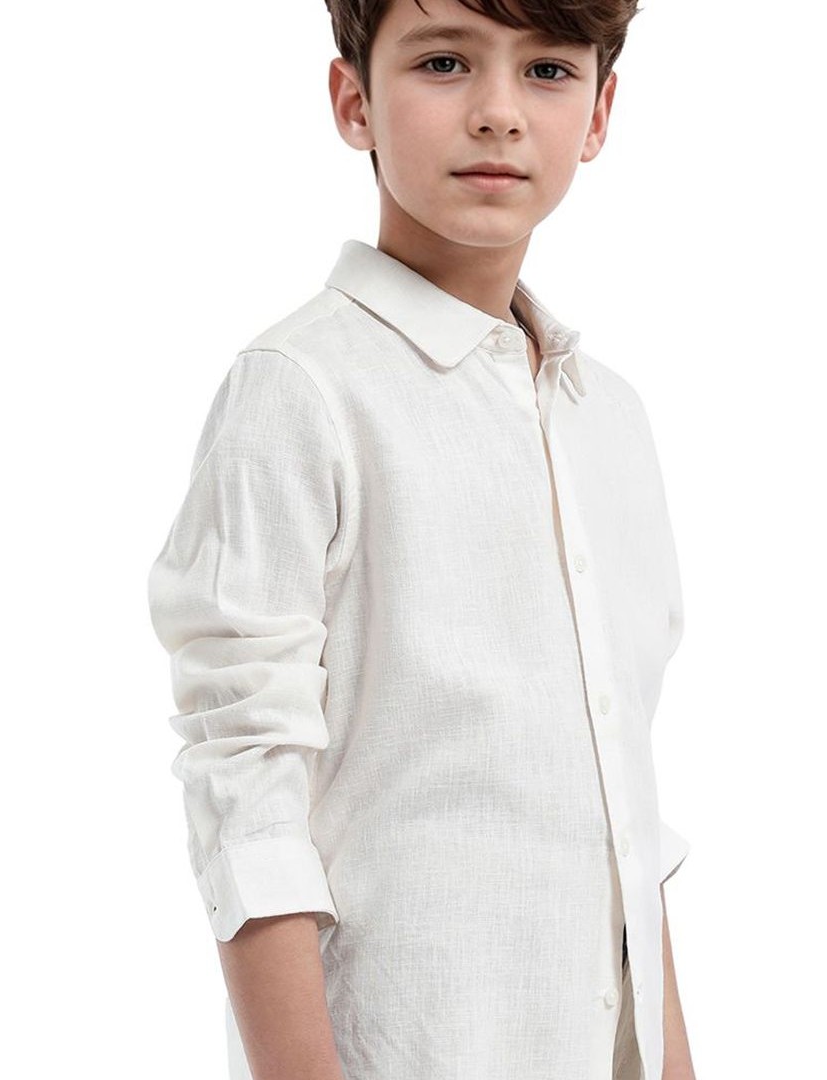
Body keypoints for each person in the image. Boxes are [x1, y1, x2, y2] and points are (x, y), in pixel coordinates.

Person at [146, 1, 697, 1078]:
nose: (498, 112)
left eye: (547, 71)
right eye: (445, 62)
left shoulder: (609, 417)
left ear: (599, 114)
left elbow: (625, 808)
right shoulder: (301, 391)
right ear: (354, 100)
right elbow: (245, 793)